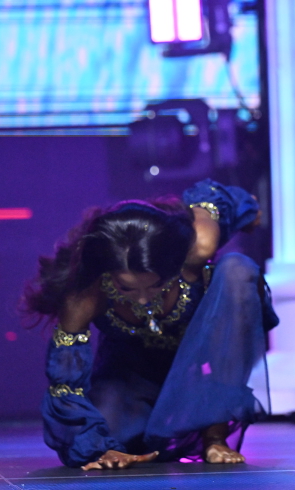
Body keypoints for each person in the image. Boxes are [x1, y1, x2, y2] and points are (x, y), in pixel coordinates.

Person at [22, 179, 278, 470]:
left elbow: (217, 199)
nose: (143, 299)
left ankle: (214, 436)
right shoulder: (87, 295)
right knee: (107, 439)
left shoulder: (198, 246)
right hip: (130, 378)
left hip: (198, 377)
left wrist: (249, 211)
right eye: (127, 288)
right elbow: (64, 384)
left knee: (237, 270)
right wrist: (96, 448)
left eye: (156, 285)